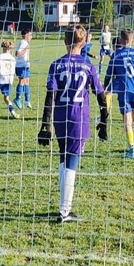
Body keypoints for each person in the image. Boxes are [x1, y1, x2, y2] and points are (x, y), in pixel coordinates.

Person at [38, 24, 110, 223]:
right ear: (85, 42)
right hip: (79, 119)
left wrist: (46, 124)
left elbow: (50, 96)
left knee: (63, 158)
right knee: (72, 163)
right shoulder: (88, 66)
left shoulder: (56, 64)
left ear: (64, 41)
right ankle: (64, 211)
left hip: (61, 119)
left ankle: (63, 207)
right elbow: (101, 95)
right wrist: (104, 121)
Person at [104, 28, 134, 158]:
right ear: (133, 40)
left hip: (124, 91)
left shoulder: (116, 55)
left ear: (120, 40)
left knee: (127, 121)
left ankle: (131, 149)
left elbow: (109, 73)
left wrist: (105, 85)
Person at [12, 27, 33, 109]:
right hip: (21, 66)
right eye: (30, 35)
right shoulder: (23, 43)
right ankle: (17, 99)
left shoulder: (25, 43)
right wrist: (25, 49)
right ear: (26, 35)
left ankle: (27, 101)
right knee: (22, 81)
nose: (31, 37)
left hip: (26, 65)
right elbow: (17, 54)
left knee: (27, 82)